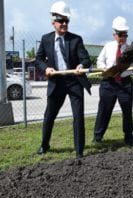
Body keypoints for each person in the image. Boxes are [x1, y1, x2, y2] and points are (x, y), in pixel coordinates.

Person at [35, 1, 92, 158]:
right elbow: (38, 59)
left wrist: (81, 64)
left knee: (78, 116)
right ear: (53, 22)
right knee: (49, 116)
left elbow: (86, 59)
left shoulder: (76, 39)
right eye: (61, 20)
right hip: (56, 82)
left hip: (74, 81)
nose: (65, 24)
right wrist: (46, 68)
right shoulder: (46, 39)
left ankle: (79, 151)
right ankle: (44, 145)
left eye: (67, 20)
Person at [93, 16, 133, 146]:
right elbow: (99, 61)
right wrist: (104, 69)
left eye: (125, 35)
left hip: (124, 83)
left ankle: (128, 137)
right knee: (104, 110)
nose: (123, 38)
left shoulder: (131, 49)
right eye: (120, 35)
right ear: (114, 34)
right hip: (108, 83)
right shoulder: (108, 47)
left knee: (127, 111)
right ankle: (97, 136)